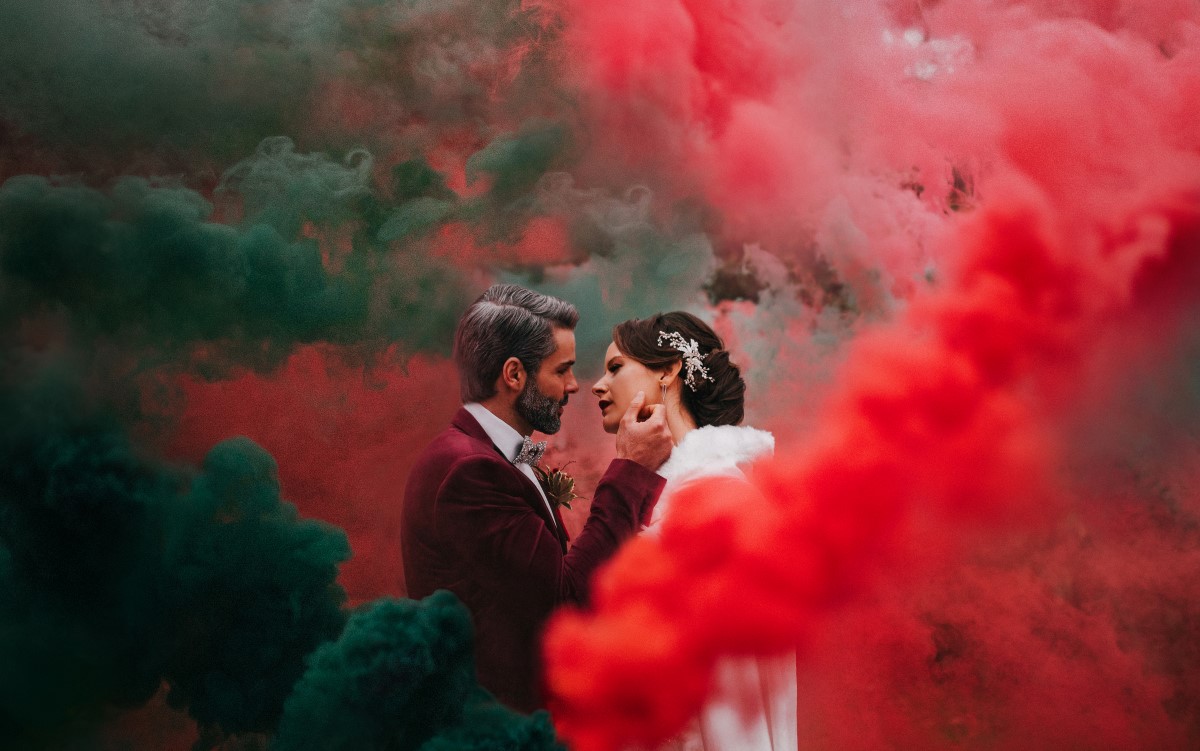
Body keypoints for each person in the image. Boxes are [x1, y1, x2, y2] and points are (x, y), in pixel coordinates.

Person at [402, 284, 673, 713]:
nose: (574, 386)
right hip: (498, 721)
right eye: (562, 370)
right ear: (514, 374)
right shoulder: (470, 472)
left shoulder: (493, 455)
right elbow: (566, 602)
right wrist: (630, 467)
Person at [591, 311, 797, 751]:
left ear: (668, 370)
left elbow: (734, 703)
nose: (597, 385)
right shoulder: (666, 498)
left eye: (615, 367)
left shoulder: (718, 507)